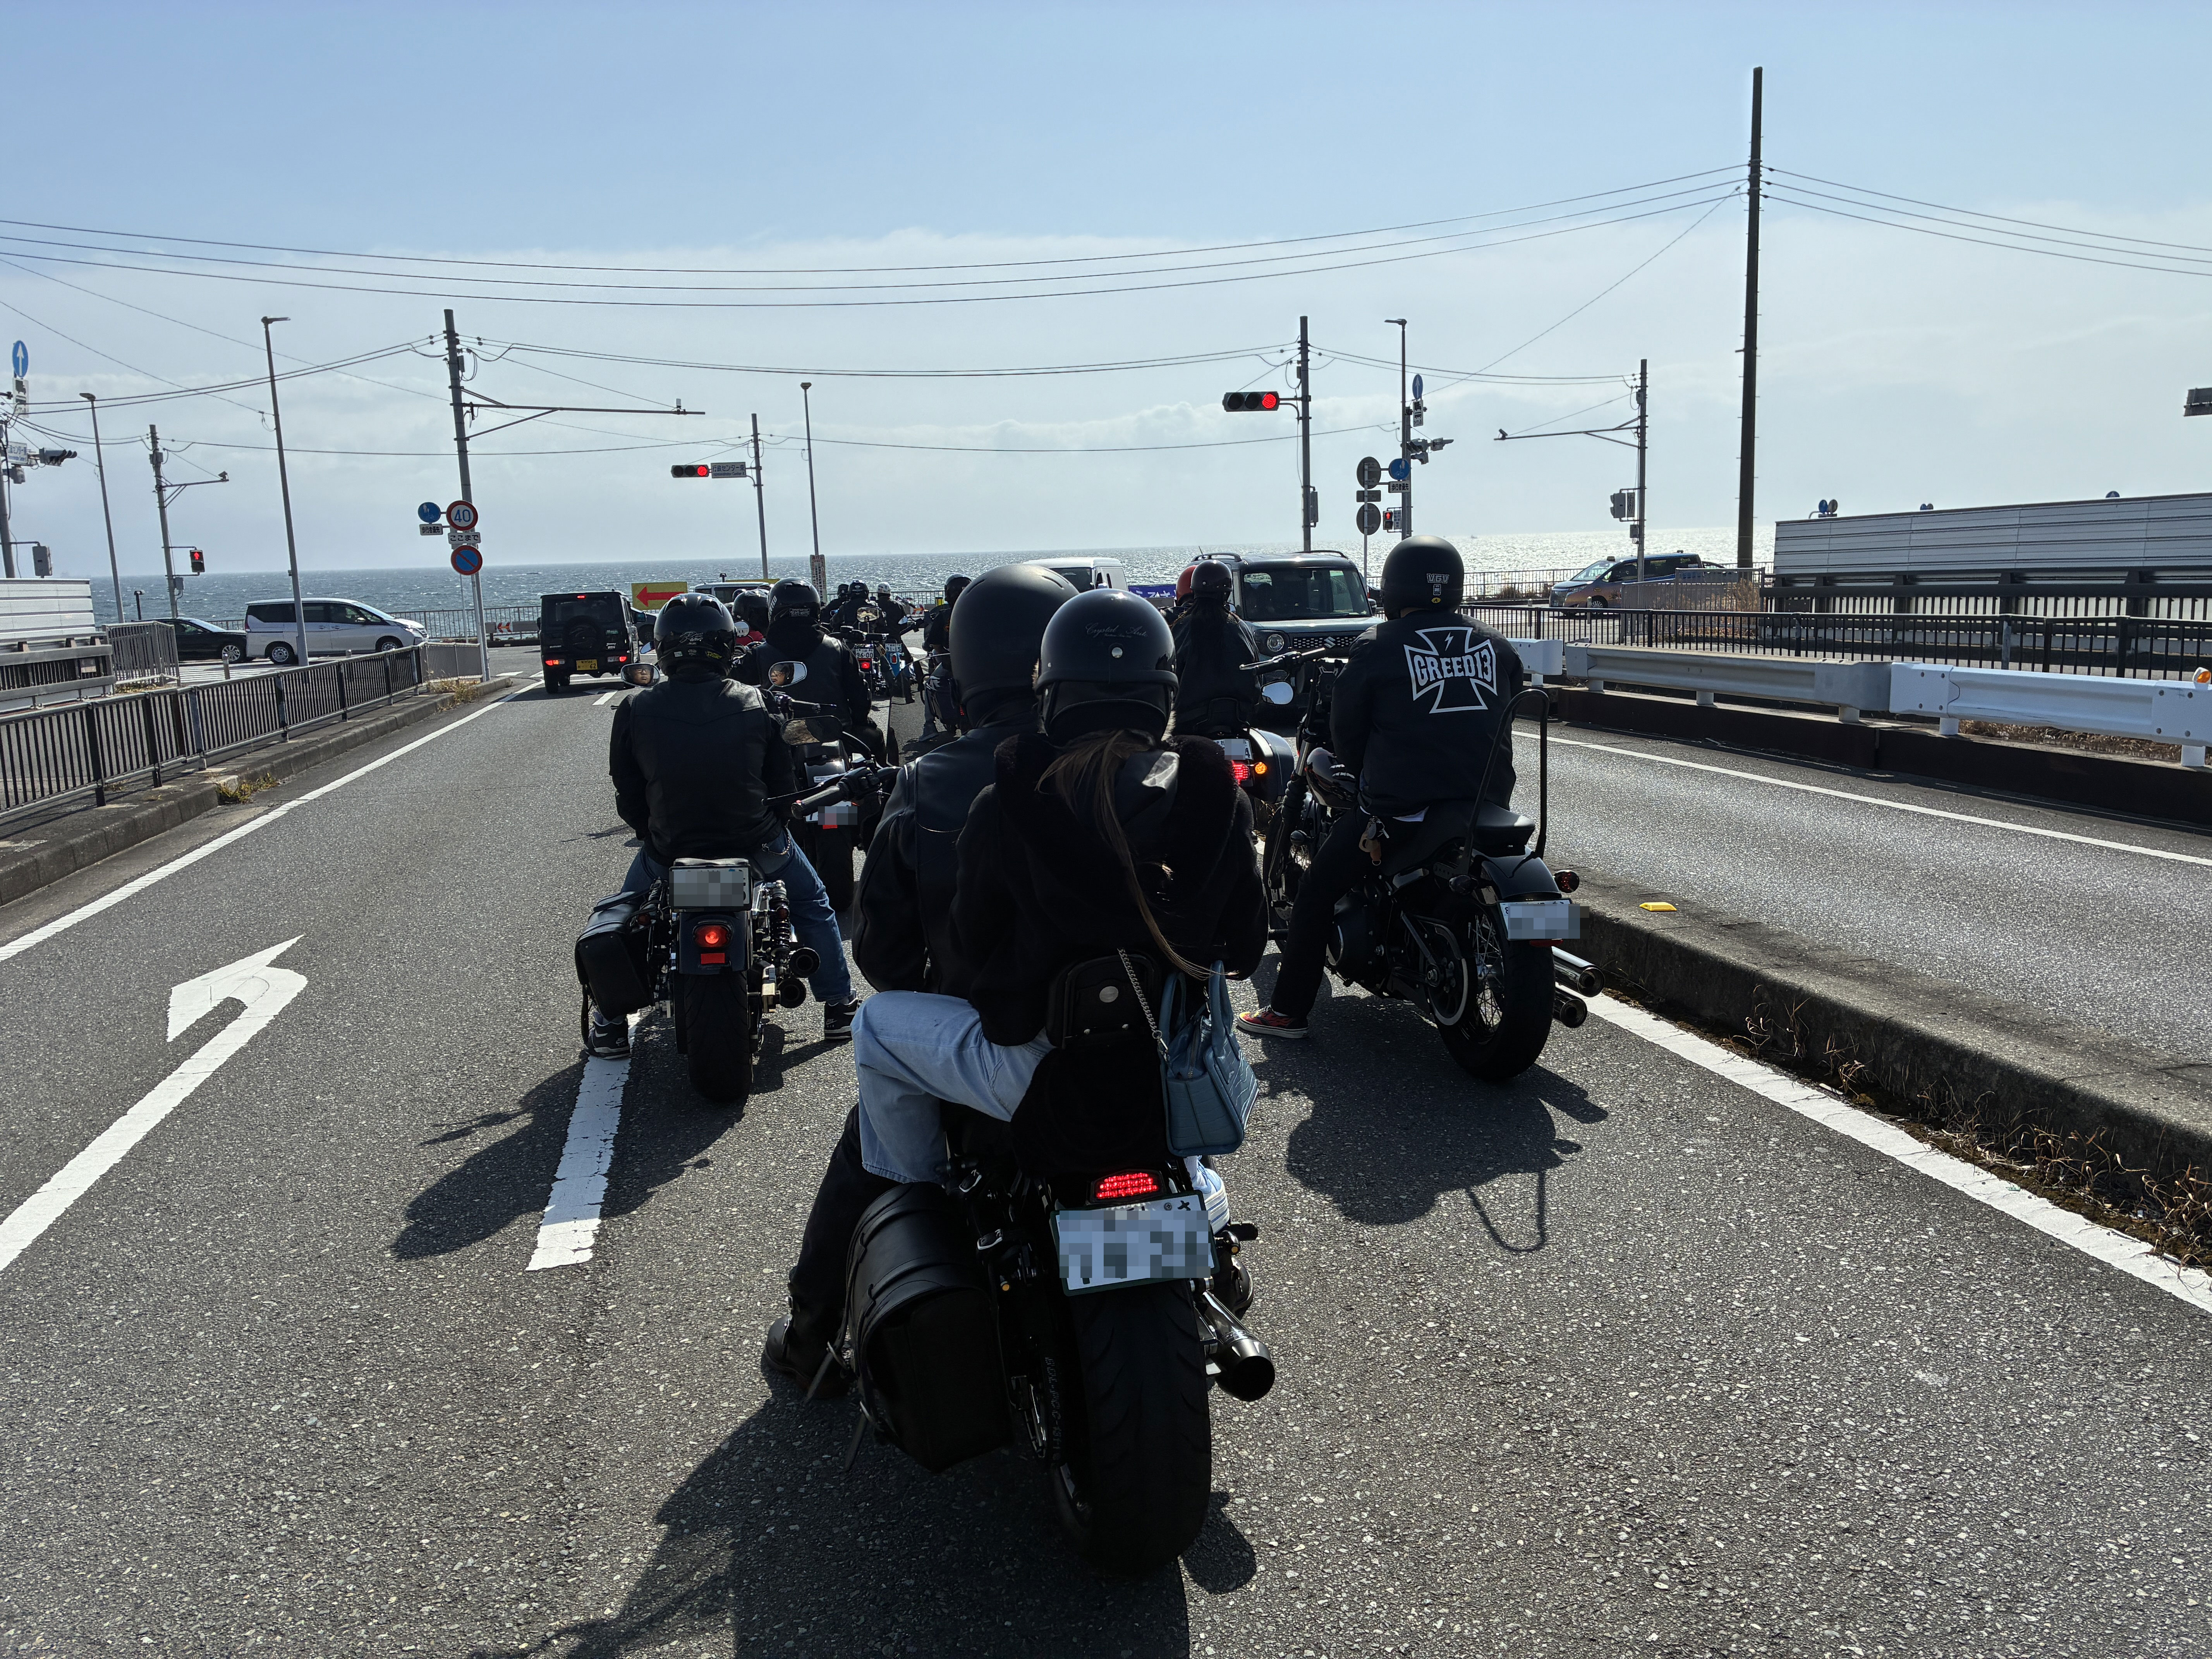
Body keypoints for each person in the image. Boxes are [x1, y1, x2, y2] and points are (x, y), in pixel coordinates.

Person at [764, 587, 1266, 1390]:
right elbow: (1244, 947)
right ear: (1164, 691)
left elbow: (955, 956)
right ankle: (1213, 1236)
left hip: (1033, 1069)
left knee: (876, 1026)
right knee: (1189, 1075)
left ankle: (907, 1218)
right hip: (1165, 1071)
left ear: (1050, 687)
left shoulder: (1001, 797)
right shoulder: (1218, 794)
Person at [1238, 536, 1525, 1041]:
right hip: (1485, 801)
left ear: (1394, 588)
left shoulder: (1378, 646)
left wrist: (1361, 764)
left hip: (1403, 810)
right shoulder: (1496, 645)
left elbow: (1348, 734)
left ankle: (1287, 1013)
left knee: (1316, 892)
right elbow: (1509, 706)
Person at [595, 594, 861, 1056]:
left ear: (663, 646)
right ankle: (839, 1006)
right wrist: (773, 823)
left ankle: (610, 1022)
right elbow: (784, 787)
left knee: (625, 915)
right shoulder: (759, 702)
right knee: (812, 902)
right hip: (755, 841)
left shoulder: (636, 709)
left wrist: (651, 833)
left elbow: (628, 788)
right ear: (725, 645)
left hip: (670, 848)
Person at [852, 562, 1078, 996]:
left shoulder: (925, 781)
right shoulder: (1135, 766)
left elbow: (882, 955)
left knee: (877, 1019)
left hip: (978, 1018)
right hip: (1131, 1022)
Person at [739, 579, 885, 760]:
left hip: (779, 739)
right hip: (835, 732)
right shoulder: (837, 649)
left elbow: (736, 695)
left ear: (774, 609)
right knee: (876, 741)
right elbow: (859, 695)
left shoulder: (758, 654)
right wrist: (860, 720)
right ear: (815, 609)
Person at [1170, 558, 1262, 737]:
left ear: (1194, 591)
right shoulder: (1241, 627)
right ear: (1227, 594)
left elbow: (1171, 672)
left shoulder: (1181, 627)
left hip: (1189, 723)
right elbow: (1257, 673)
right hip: (1238, 720)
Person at [919, 573, 970, 654]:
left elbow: (936, 644)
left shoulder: (943, 616)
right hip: (977, 656)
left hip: (953, 658)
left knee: (935, 653)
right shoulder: (979, 614)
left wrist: (947, 658)